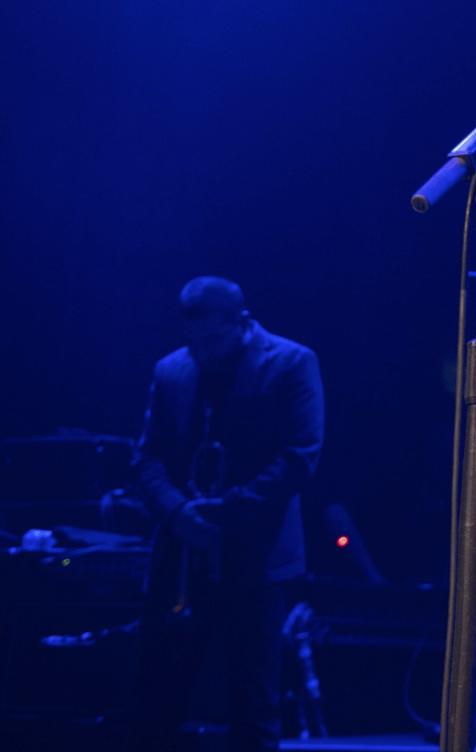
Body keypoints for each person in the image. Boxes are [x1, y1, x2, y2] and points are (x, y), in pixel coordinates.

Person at [131, 276, 325, 752]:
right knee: (156, 702)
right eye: (192, 340)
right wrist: (179, 513)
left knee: (253, 706)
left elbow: (299, 457)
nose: (201, 351)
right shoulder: (171, 370)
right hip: (183, 557)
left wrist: (218, 514)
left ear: (241, 322)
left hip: (256, 563)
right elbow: (148, 457)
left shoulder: (291, 363)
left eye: (211, 340)